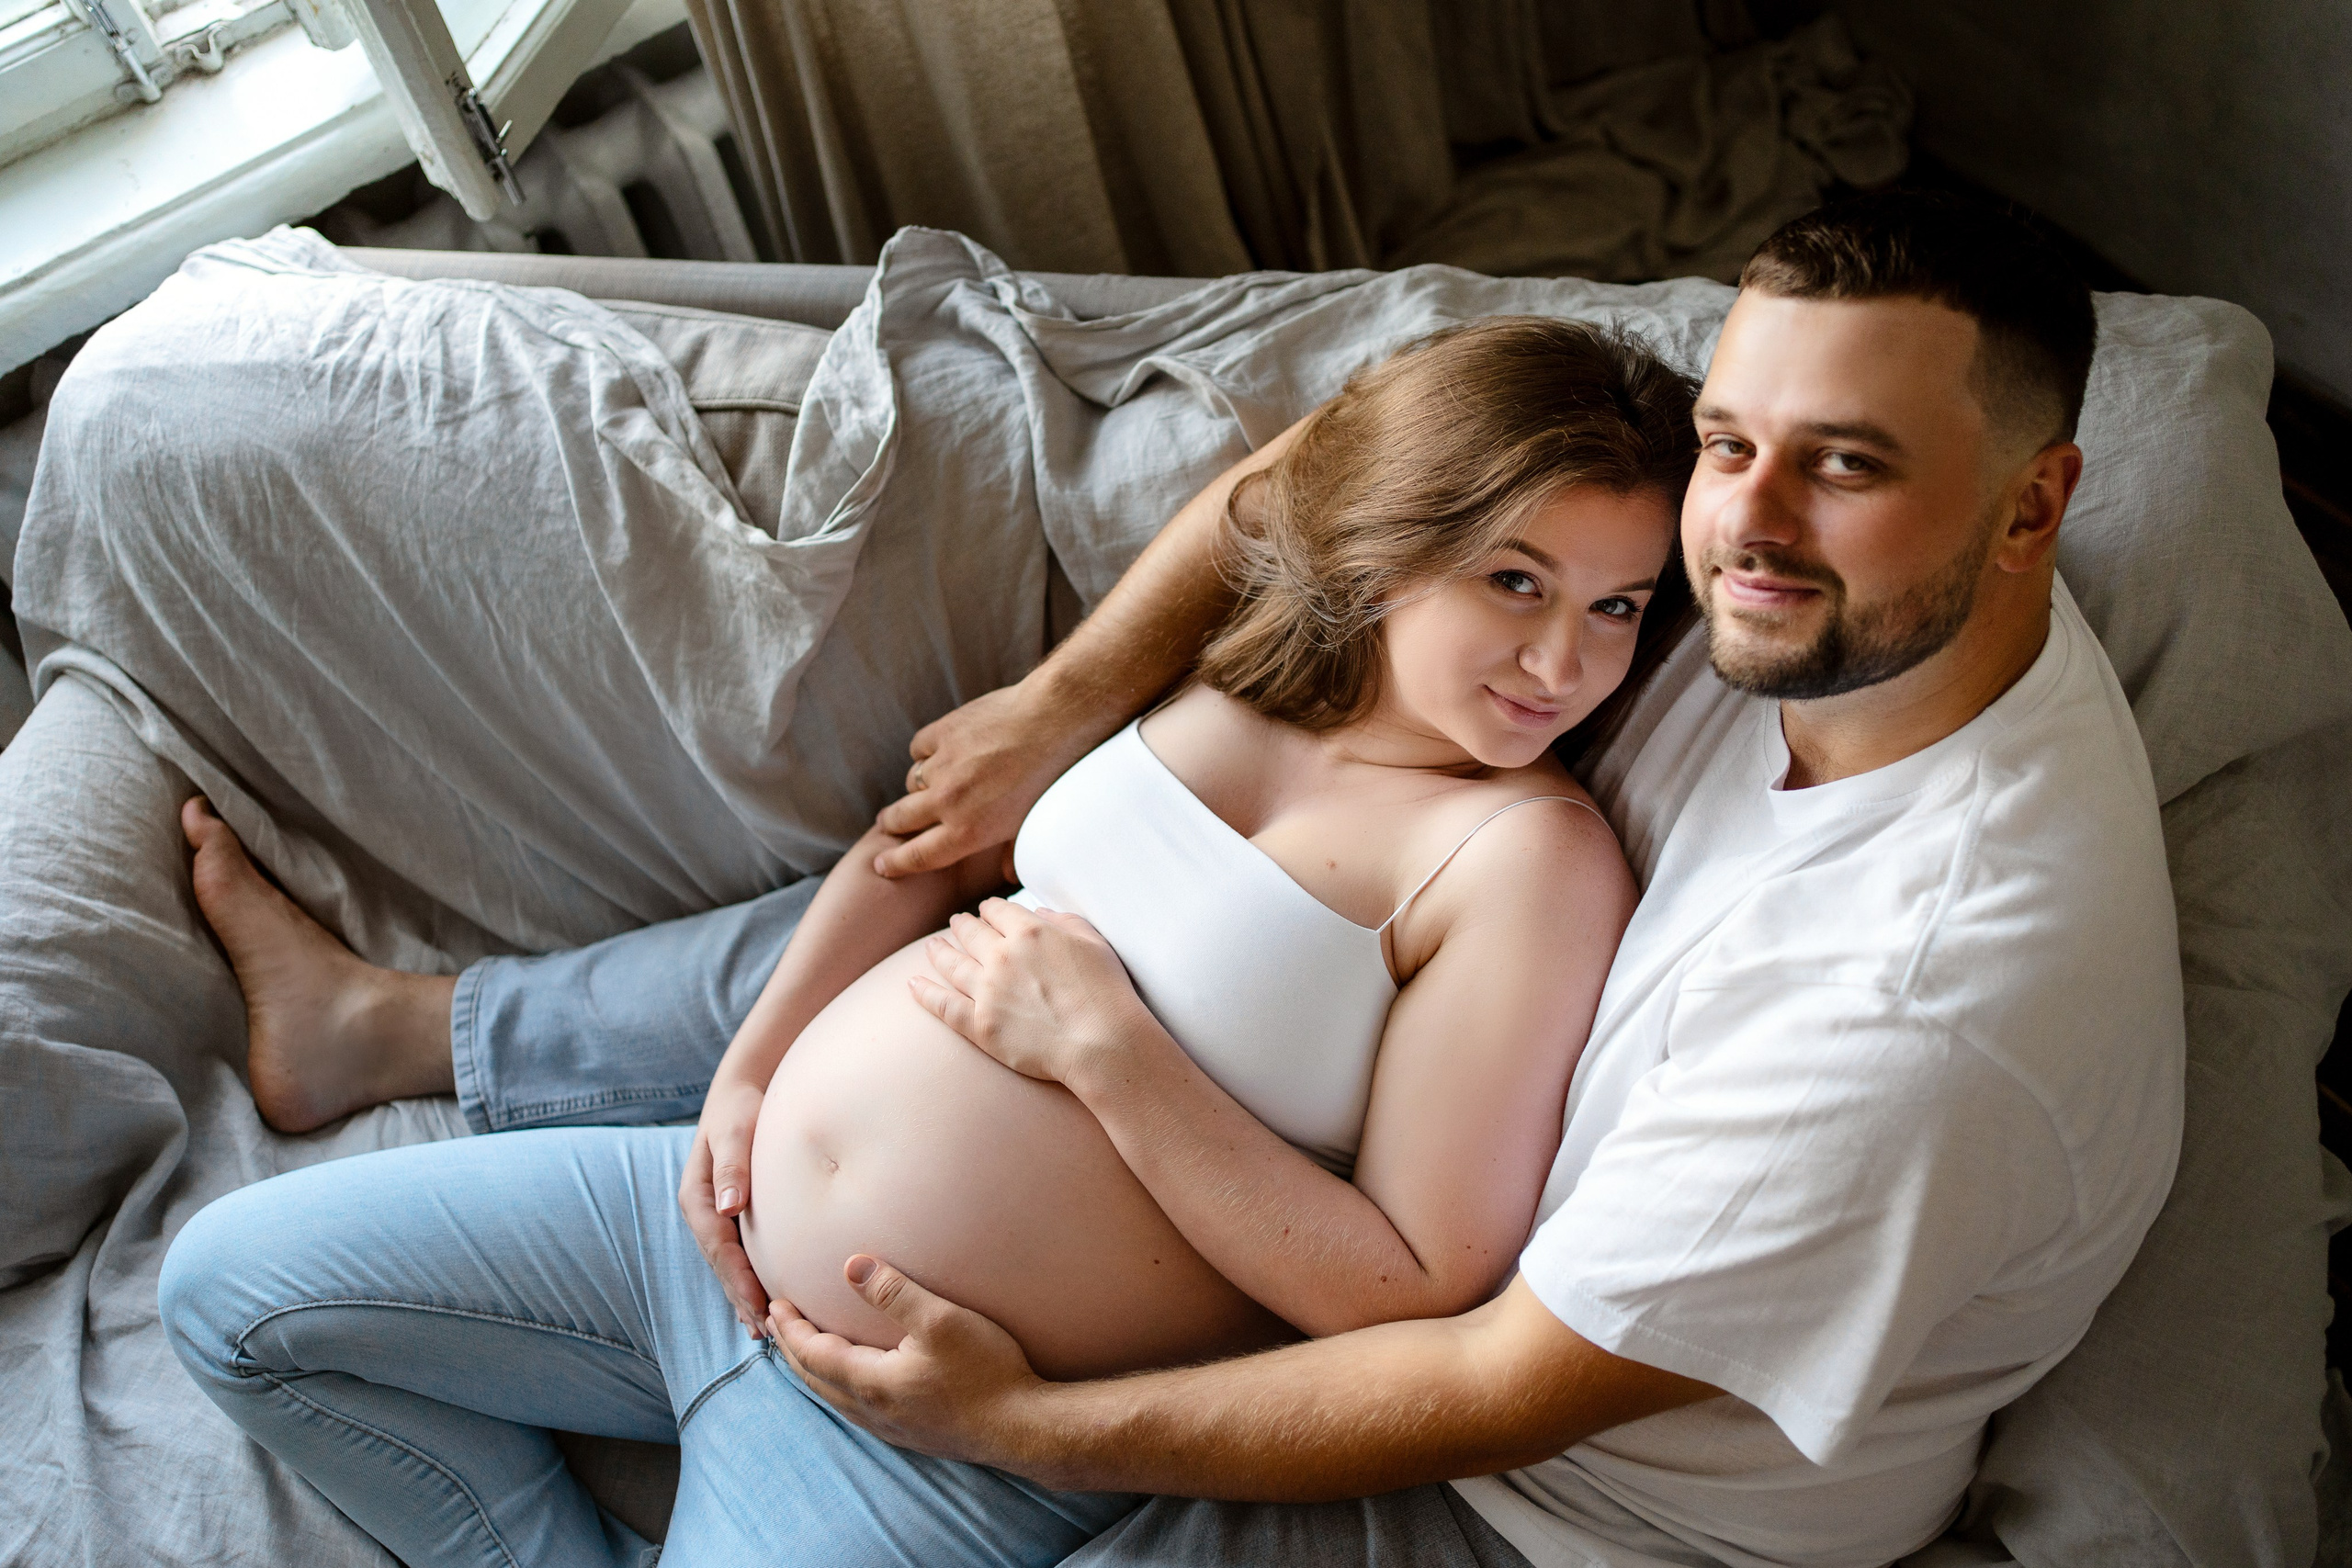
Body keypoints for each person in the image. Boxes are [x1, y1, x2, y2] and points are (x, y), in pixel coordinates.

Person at [742, 191, 2186, 1568]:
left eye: (1849, 466)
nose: (1747, 525)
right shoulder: (1788, 587)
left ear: (2032, 507)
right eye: (1730, 440)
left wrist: (1020, 1430)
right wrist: (1063, 703)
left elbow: (1487, 1381)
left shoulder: (1918, 1008)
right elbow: (1358, 477)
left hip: (1567, 1518)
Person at [160, 319, 1705, 1565]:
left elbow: (1412, 1288)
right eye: (1516, 580)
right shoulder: (1241, 679)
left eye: (1623, 608)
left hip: (936, 1419)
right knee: (225, 1297)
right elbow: (926, 858)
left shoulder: (1522, 861)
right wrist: (748, 1080)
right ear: (1383, 548)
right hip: (690, 1238)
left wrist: (1114, 1060)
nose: (1566, 661)